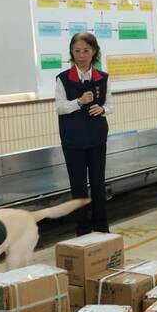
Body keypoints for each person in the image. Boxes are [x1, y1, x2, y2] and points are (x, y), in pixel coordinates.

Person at [55, 32, 113, 235]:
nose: (81, 55)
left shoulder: (103, 77)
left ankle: (102, 226)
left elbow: (110, 105)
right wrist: (79, 102)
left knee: (98, 183)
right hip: (73, 140)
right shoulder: (63, 79)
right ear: (71, 52)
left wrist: (102, 109)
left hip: (97, 137)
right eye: (77, 51)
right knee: (78, 185)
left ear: (94, 51)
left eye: (86, 51)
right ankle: (83, 230)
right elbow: (60, 107)